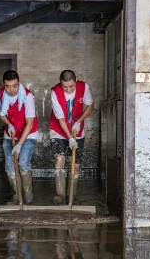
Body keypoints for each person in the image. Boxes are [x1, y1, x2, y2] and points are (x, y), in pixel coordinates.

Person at [49, 70, 94, 205]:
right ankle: (60, 195)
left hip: (77, 129)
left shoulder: (84, 87)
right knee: (59, 160)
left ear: (75, 82)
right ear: (60, 83)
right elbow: (61, 119)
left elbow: (90, 106)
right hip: (58, 129)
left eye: (71, 86)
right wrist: (70, 138)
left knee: (76, 165)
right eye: (65, 87)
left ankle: (72, 197)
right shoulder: (55, 92)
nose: (68, 89)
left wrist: (79, 121)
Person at [0, 70, 39, 205]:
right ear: (4, 84)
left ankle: (28, 196)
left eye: (14, 85)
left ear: (18, 83)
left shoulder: (28, 96)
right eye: (8, 86)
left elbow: (30, 122)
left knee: (23, 163)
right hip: (10, 134)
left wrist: (20, 144)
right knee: (9, 166)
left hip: (29, 133)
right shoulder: (0, 94)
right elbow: (1, 113)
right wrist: (9, 125)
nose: (11, 90)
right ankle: (17, 195)